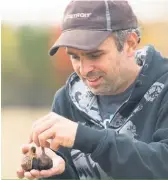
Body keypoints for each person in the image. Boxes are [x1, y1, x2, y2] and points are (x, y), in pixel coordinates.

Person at [17, 0, 168, 179]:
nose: (84, 69)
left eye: (95, 55)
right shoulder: (66, 100)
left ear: (130, 44)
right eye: (74, 56)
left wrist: (85, 138)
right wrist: (52, 170)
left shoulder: (163, 88)